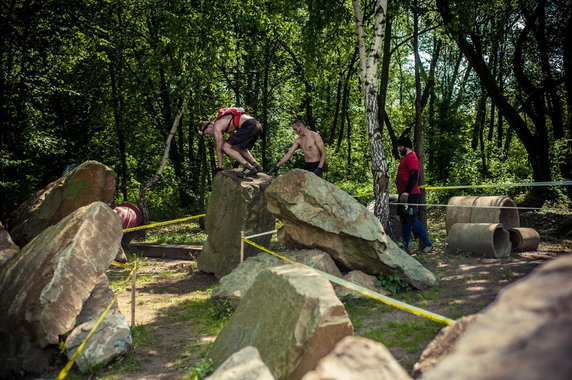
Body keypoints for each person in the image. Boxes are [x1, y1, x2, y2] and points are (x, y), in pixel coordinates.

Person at [200, 107, 263, 178]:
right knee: (237, 147)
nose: (209, 135)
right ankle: (256, 165)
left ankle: (248, 167)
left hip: (249, 126)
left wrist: (219, 167)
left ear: (210, 126)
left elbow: (219, 148)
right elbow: (234, 143)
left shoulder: (217, 125)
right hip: (257, 125)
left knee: (225, 147)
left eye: (207, 132)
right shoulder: (225, 123)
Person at [395, 136, 433, 254]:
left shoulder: (412, 158)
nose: (398, 149)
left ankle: (428, 244)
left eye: (400, 147)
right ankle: (405, 246)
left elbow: (414, 175)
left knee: (411, 218)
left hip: (410, 194)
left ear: (405, 147)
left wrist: (407, 191)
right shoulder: (406, 158)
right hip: (403, 194)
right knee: (404, 219)